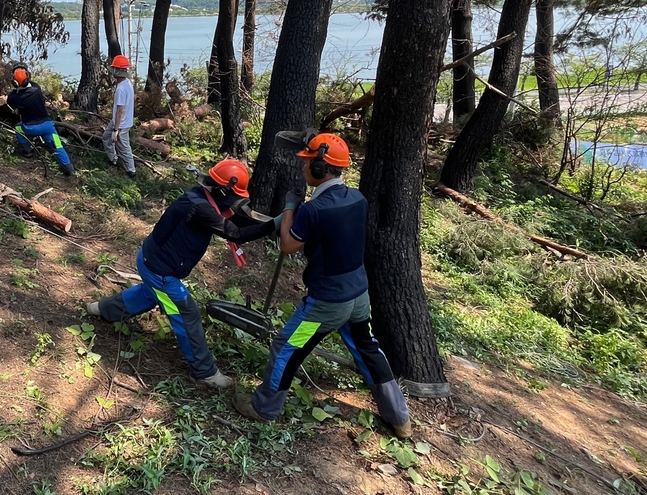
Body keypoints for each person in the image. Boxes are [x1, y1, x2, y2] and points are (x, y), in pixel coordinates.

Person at [231, 133, 413, 439]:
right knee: (368, 349)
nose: (302, 166)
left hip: (326, 304)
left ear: (320, 168)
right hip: (358, 295)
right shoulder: (357, 198)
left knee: (286, 348)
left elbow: (288, 245)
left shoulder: (313, 210)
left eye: (306, 161)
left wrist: (291, 208)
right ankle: (400, 418)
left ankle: (264, 409)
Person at [87, 159, 281, 388]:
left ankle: (104, 309)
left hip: (151, 260)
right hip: (160, 271)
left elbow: (237, 219)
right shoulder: (201, 208)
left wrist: (273, 221)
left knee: (150, 294)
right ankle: (204, 372)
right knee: (187, 313)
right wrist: (274, 225)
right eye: (235, 195)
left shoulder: (202, 198)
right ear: (223, 190)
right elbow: (236, 232)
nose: (236, 201)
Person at [0, 63, 76, 177]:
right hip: (48, 127)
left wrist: (6, 98)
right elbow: (29, 84)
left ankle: (27, 151)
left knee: (18, 127)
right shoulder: (36, 88)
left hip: (30, 128)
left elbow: (10, 104)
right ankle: (69, 169)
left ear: (14, 82)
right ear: (28, 76)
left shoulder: (15, 96)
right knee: (58, 145)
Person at [103, 55, 136, 178]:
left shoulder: (121, 89)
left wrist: (116, 130)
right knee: (106, 137)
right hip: (120, 122)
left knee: (124, 147)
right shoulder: (127, 83)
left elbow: (120, 111)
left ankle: (131, 171)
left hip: (121, 124)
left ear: (117, 71)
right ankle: (113, 159)